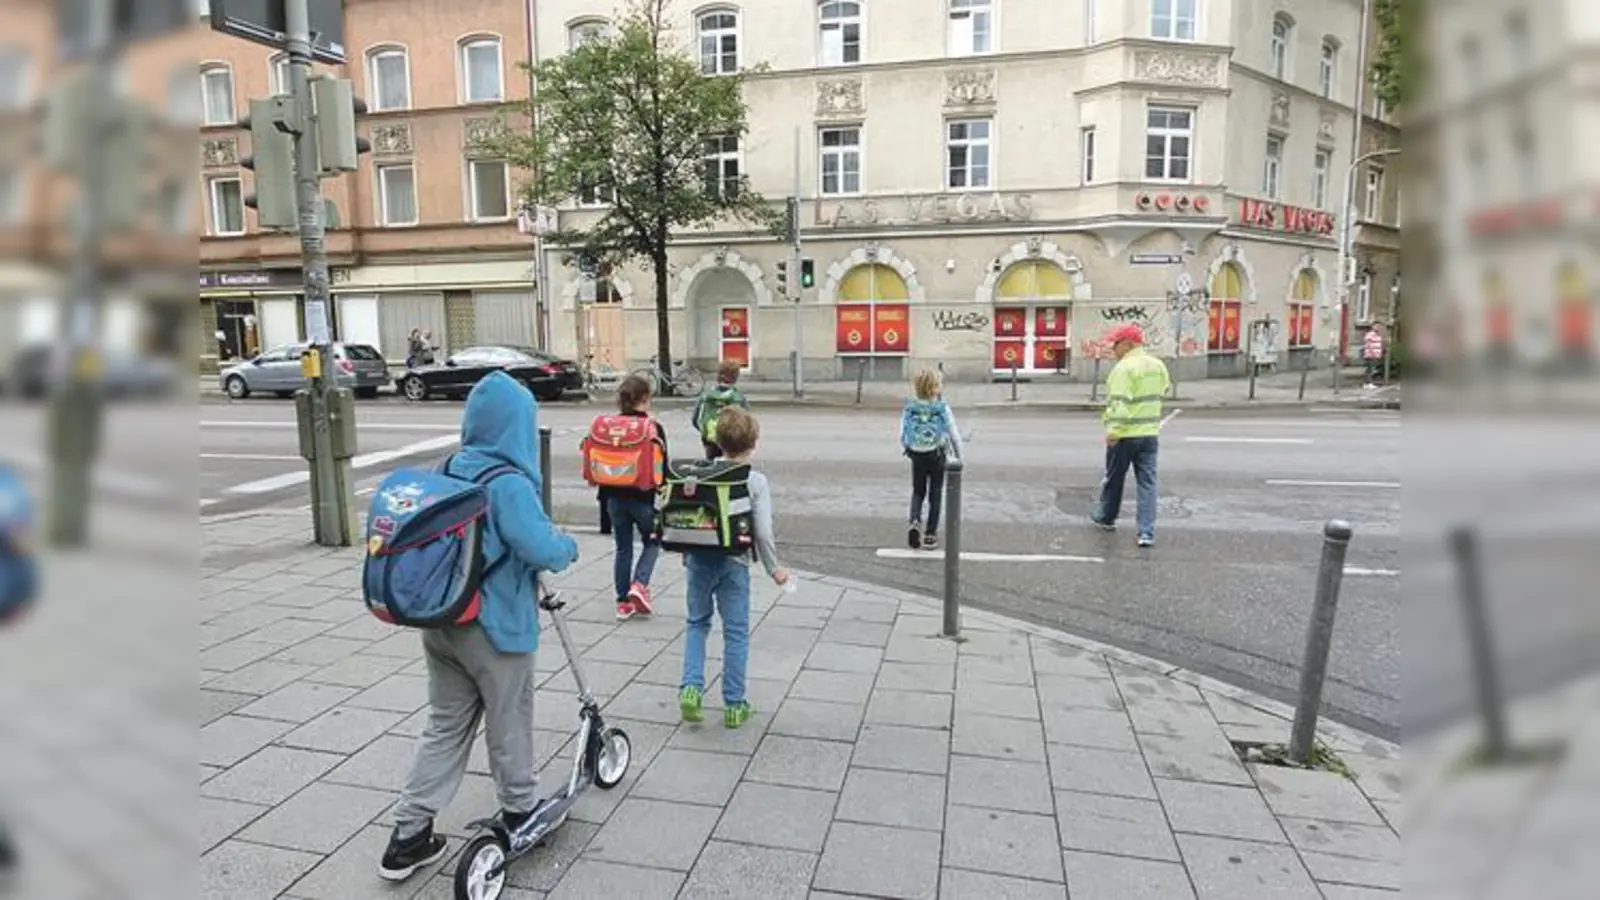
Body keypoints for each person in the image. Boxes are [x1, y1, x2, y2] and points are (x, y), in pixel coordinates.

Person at [379, 372, 579, 882]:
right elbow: (539, 547)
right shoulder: (507, 483)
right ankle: (520, 808)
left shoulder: (448, 466)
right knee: (509, 718)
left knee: (445, 724)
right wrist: (568, 547)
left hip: (443, 621)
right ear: (518, 426)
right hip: (496, 628)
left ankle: (409, 833)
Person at [678, 407, 788, 728]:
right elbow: (764, 532)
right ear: (753, 443)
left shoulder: (700, 472)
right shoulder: (755, 481)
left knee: (697, 623)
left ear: (717, 441)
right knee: (736, 632)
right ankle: (734, 704)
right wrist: (774, 569)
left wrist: (686, 549)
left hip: (698, 560)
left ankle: (690, 689)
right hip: (734, 563)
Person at [1090, 324, 1171, 548]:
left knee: (1114, 478)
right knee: (1147, 483)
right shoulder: (1158, 365)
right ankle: (1146, 532)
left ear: (1128, 344)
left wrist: (1113, 432)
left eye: (1116, 344)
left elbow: (1120, 404)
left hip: (1125, 435)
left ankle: (1107, 517)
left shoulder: (1123, 369)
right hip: (1149, 433)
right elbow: (1164, 389)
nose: (1113, 349)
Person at [603, 374, 667, 621]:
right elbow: (663, 467)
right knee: (653, 541)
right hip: (642, 498)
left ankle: (622, 603)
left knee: (623, 548)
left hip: (613, 498)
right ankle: (639, 584)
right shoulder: (652, 427)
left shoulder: (610, 426)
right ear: (644, 399)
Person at [900, 368, 963, 551]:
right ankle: (930, 535)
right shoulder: (942, 408)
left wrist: (908, 448)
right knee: (935, 493)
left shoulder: (910, 407)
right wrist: (959, 457)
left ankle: (914, 520)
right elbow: (954, 435)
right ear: (935, 387)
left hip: (917, 454)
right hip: (936, 454)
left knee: (918, 490)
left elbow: (902, 432)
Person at [691, 361, 750, 460]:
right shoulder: (739, 398)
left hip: (710, 438)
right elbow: (747, 421)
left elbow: (695, 419)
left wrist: (705, 431)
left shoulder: (706, 395)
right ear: (735, 377)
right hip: (732, 439)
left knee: (712, 465)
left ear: (718, 376)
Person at [1362, 323, 1386, 389]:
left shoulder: (1378, 335)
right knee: (1370, 369)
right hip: (1371, 354)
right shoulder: (1370, 334)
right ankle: (1369, 383)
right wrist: (1372, 353)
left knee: (1371, 369)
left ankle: (1366, 383)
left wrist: (1380, 353)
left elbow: (1379, 344)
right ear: (1372, 327)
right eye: (1376, 326)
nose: (1378, 327)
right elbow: (1369, 344)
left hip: (1376, 354)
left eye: (1379, 326)